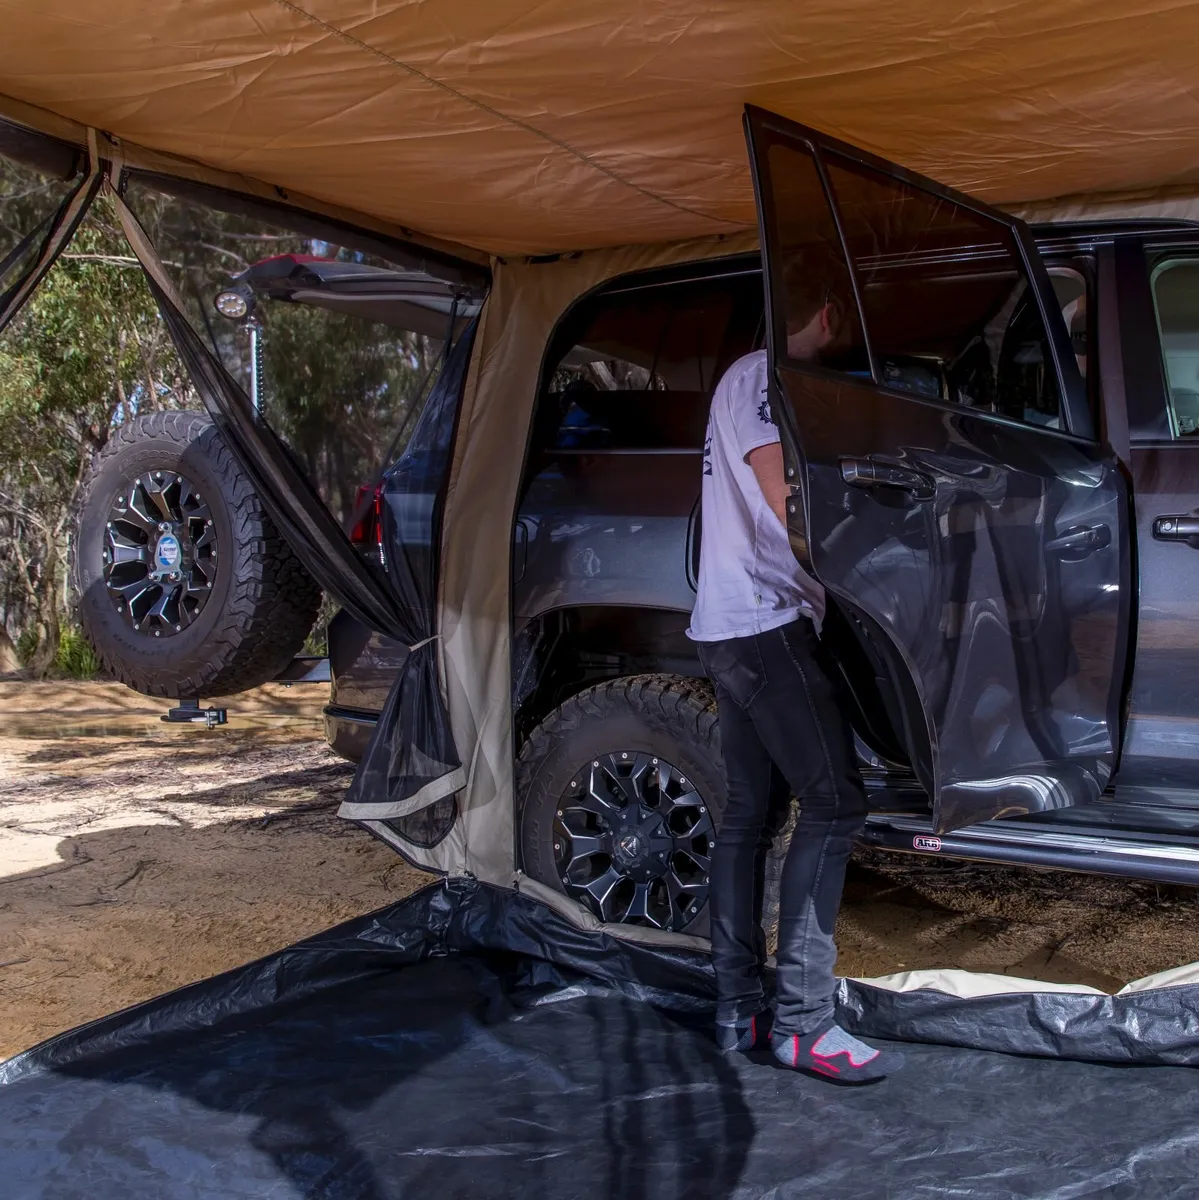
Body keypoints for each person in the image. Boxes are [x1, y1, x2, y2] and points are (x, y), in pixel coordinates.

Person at [688, 250, 904, 1083]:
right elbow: (786, 508)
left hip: (733, 623)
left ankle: (736, 1009)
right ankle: (806, 1027)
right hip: (764, 623)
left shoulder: (749, 382)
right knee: (834, 801)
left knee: (750, 812)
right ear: (826, 313)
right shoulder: (761, 379)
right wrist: (873, 576)